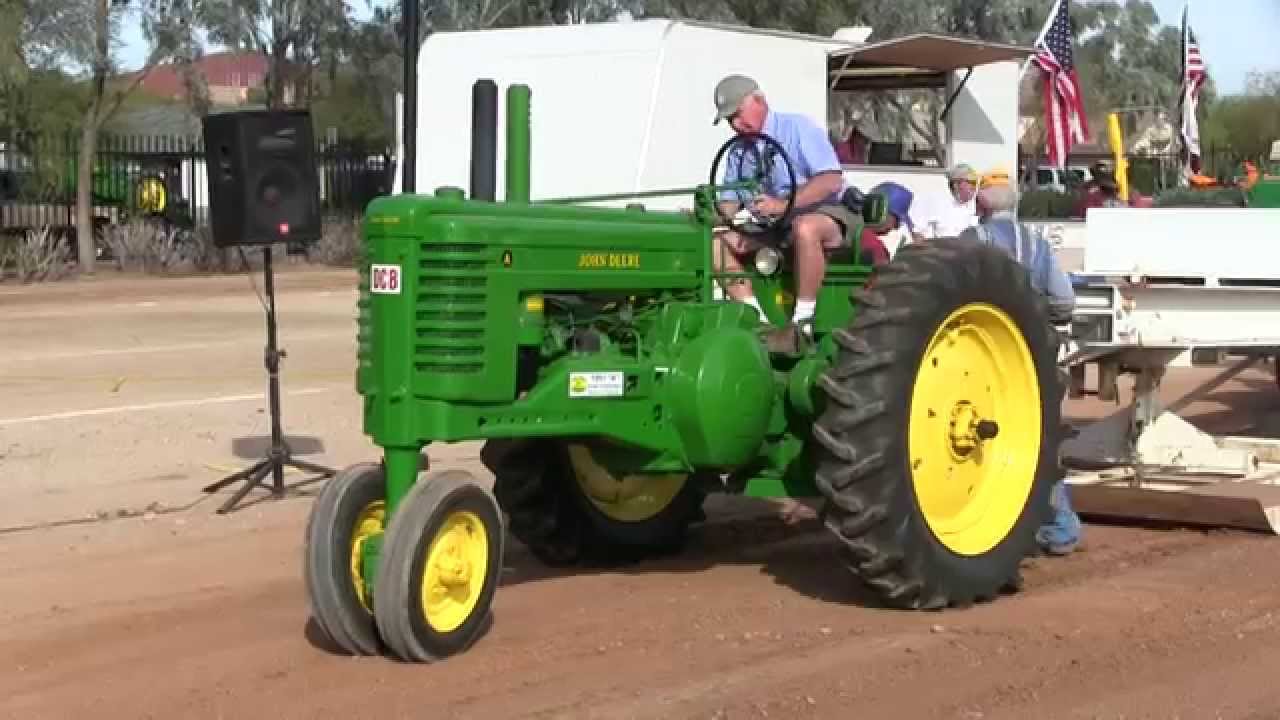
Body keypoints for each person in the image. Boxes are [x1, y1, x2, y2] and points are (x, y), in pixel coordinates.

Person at [958, 170, 1081, 556]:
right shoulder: (1036, 245)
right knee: (1037, 437)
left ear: (980, 203)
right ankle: (1060, 527)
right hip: (1028, 359)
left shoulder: (969, 243)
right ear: (1015, 203)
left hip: (978, 359)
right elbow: (1064, 302)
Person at [709, 74, 861, 331]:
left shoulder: (797, 128)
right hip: (775, 227)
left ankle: (803, 321)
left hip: (826, 214)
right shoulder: (738, 150)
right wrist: (709, 214)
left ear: (759, 100)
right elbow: (730, 202)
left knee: (805, 227)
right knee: (713, 242)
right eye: (729, 120)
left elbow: (831, 180)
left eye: (738, 114)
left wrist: (781, 205)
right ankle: (756, 317)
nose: (735, 124)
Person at [916, 164, 980, 239]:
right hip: (943, 248)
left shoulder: (979, 205)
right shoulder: (937, 203)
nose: (974, 187)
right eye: (971, 182)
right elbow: (919, 231)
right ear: (956, 185)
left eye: (975, 182)